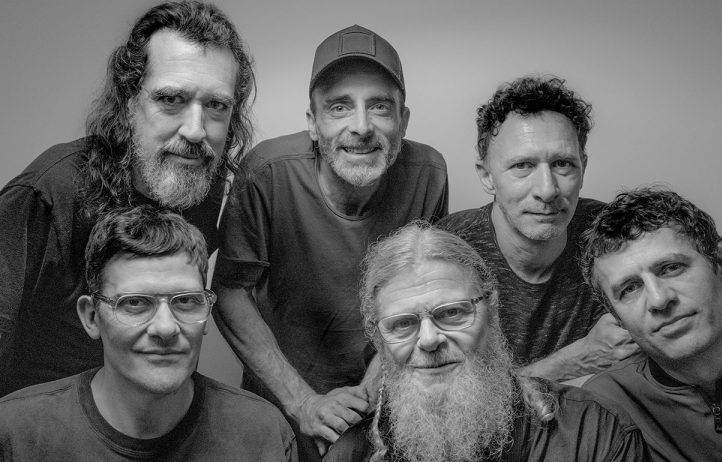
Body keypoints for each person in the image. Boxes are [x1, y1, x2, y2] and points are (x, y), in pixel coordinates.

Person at [213, 24, 448, 459]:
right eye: (339, 107)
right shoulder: (266, 173)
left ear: (403, 121)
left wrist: (367, 396)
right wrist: (303, 402)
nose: (361, 126)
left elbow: (420, 296)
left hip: (388, 394)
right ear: (312, 122)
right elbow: (229, 292)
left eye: (379, 106)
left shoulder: (428, 173)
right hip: (283, 397)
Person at [0, 0, 255, 397]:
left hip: (156, 416)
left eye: (216, 106)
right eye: (170, 99)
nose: (195, 130)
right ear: (129, 101)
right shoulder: (50, 193)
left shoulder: (200, 177)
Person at [323, 222, 648, 461]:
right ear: (377, 336)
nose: (429, 340)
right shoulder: (351, 454)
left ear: (491, 309)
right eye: (403, 324)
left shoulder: (594, 432)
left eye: (451, 313)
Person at [0, 206, 295, 461]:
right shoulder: (16, 434)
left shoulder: (262, 435)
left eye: (186, 301)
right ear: (92, 317)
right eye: (135, 303)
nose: (165, 328)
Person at [438, 75, 637, 382]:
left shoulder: (613, 234)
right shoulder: (447, 249)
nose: (547, 190)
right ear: (487, 176)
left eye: (563, 164)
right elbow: (443, 391)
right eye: (522, 166)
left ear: (583, 168)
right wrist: (569, 363)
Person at [581, 187, 722, 461]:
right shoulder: (604, 407)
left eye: (671, 268)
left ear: (721, 264)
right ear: (616, 316)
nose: (659, 299)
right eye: (630, 288)